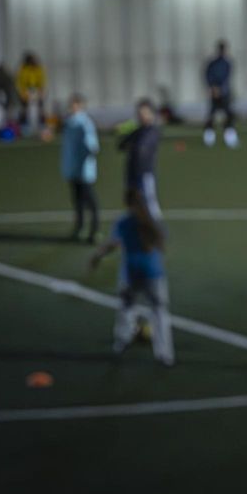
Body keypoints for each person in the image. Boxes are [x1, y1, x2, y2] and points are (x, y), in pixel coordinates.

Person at [89, 188, 173, 367]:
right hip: (153, 274)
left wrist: (96, 257)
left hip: (131, 274)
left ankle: (121, 343)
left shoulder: (124, 222)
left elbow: (112, 244)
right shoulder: (153, 221)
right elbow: (161, 243)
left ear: (127, 203)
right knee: (159, 312)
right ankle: (164, 355)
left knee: (127, 308)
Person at [59, 93, 99, 243]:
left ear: (80, 106)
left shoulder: (85, 123)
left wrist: (87, 156)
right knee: (77, 201)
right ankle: (79, 228)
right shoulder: (69, 123)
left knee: (90, 201)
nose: (72, 107)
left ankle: (94, 230)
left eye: (75, 104)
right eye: (71, 104)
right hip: (73, 169)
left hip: (84, 170)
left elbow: (92, 146)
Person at [118, 98, 163, 218]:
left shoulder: (153, 131)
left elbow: (142, 147)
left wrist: (133, 142)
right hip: (131, 173)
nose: (142, 116)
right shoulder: (137, 131)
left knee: (150, 203)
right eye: (139, 114)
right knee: (133, 206)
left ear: (151, 114)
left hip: (145, 173)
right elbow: (121, 146)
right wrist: (125, 130)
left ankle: (157, 230)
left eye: (144, 113)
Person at [203, 40, 239, 148]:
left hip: (224, 93)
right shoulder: (212, 63)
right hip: (214, 93)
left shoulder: (227, 63)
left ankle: (230, 137)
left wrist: (220, 89)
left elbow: (226, 78)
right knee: (212, 114)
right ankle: (209, 137)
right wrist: (213, 88)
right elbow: (208, 75)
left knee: (228, 114)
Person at [15, 51, 47, 131]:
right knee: (24, 109)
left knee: (40, 108)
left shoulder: (38, 68)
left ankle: (41, 124)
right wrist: (22, 92)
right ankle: (23, 126)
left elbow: (42, 80)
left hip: (36, 89)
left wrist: (41, 90)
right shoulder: (23, 69)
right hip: (26, 90)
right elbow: (19, 81)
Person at [0, 61, 19, 128]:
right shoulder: (1, 76)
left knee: (8, 110)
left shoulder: (5, 76)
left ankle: (8, 124)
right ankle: (6, 124)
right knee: (6, 110)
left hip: (8, 95)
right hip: (6, 95)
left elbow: (12, 87)